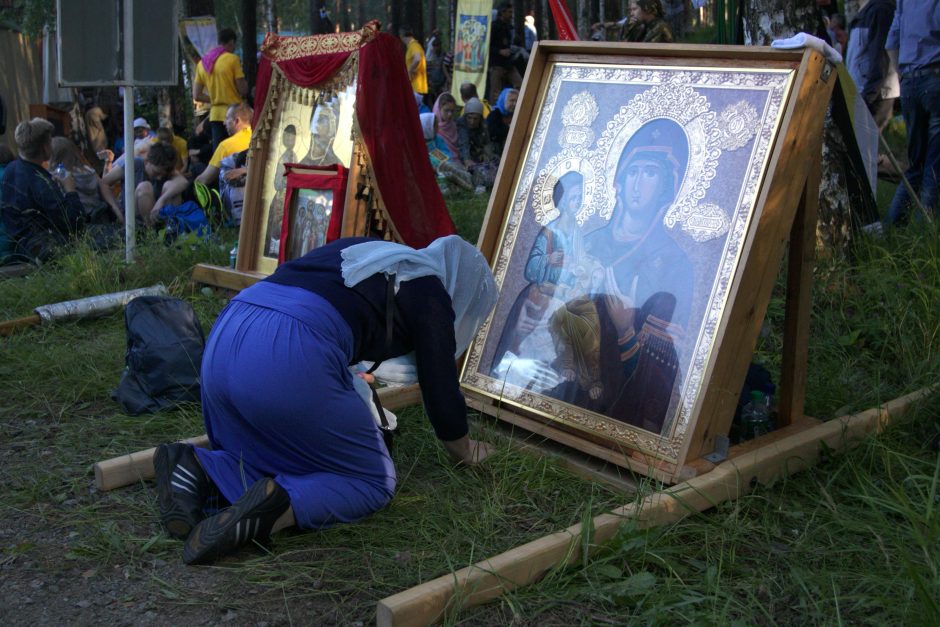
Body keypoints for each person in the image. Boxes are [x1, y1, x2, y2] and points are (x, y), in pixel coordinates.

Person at [152, 235, 499, 564]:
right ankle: (276, 512)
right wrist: (465, 451)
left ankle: (198, 466)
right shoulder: (431, 290)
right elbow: (439, 384)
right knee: (372, 481)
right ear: (463, 289)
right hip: (289, 351)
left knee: (264, 446)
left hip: (226, 337)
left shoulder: (375, 254)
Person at [550, 119, 693, 433]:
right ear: (618, 181)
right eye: (632, 171)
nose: (638, 183)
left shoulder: (674, 262)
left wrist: (626, 330)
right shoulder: (588, 242)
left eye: (651, 173)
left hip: (619, 407)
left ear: (666, 187)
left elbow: (665, 372)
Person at [490, 171, 585, 394]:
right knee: (529, 345)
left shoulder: (577, 234)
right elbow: (531, 268)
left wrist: (578, 271)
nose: (577, 203)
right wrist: (548, 260)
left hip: (564, 294)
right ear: (561, 201)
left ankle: (553, 388)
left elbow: (579, 264)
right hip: (541, 296)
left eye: (580, 198)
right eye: (573, 198)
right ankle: (509, 387)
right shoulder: (549, 232)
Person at [885, 1, 940, 225]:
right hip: (935, 77)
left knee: (916, 163)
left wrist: (902, 73)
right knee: (934, 164)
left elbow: (891, 42)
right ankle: (925, 229)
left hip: (909, 83)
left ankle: (892, 225)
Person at [0, 118, 85, 262]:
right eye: (50, 141)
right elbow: (75, 223)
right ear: (44, 147)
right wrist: (70, 190)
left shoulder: (10, 169)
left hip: (19, 245)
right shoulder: (40, 181)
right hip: (44, 249)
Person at [102, 141, 190, 227]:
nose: (159, 178)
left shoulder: (166, 169)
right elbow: (104, 183)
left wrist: (162, 199)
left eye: (162, 174)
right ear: (147, 161)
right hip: (133, 216)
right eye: (156, 173)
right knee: (145, 186)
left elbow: (183, 182)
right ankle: (150, 234)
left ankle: (172, 229)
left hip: (157, 213)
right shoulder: (135, 164)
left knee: (172, 187)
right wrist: (116, 208)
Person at [846, 0, 899, 133]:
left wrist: (868, 98)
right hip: (863, 95)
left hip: (875, 97)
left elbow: (880, 59)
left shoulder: (881, 10)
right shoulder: (865, 11)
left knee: (867, 149)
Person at [193, 28, 248, 152]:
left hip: (216, 115)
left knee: (219, 154)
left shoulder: (203, 63)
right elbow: (243, 90)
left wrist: (215, 99)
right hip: (235, 116)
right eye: (234, 45)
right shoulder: (232, 59)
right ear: (231, 42)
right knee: (239, 152)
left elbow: (196, 95)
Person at [49, 136, 122, 224]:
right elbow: (103, 185)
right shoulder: (88, 170)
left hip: (81, 222)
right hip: (100, 218)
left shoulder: (60, 175)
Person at [196, 103, 253, 188]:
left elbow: (205, 179)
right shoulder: (258, 139)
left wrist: (194, 183)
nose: (224, 123)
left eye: (227, 118)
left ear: (237, 121)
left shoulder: (226, 146)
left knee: (197, 169)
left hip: (234, 197)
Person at [264, 124, 298, 257]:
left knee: (280, 223)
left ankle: (277, 250)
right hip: (281, 194)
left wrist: (280, 184)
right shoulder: (284, 157)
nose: (289, 140)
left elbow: (280, 181)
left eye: (292, 137)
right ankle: (273, 250)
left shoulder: (290, 157)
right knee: (275, 223)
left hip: (284, 194)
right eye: (287, 136)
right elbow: (278, 181)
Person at [420, 112, 474, 191]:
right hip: (431, 174)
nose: (437, 127)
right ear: (427, 127)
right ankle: (467, 186)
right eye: (434, 125)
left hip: (444, 168)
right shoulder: (419, 144)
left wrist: (440, 163)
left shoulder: (437, 139)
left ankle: (468, 182)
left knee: (450, 167)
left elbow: (447, 155)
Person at [457, 98, 498, 192]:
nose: (472, 121)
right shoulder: (462, 124)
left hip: (478, 155)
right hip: (464, 155)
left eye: (475, 119)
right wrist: (467, 160)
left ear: (480, 118)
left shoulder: (483, 125)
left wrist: (487, 155)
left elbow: (487, 142)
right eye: (469, 118)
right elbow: (464, 144)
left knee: (495, 161)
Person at [595, 0, 674, 43]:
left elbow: (643, 52)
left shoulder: (660, 27)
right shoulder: (643, 26)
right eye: (630, 10)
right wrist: (628, 29)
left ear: (646, 9)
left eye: (634, 9)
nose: (631, 13)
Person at [488, 2, 522, 101]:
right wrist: (499, 51)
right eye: (509, 12)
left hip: (508, 63)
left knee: (520, 84)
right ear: (502, 12)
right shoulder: (493, 27)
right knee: (495, 92)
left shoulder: (508, 27)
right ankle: (495, 112)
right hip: (496, 64)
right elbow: (487, 46)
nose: (511, 15)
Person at [487, 88, 519, 157]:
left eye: (517, 101)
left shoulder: (517, 115)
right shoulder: (494, 115)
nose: (514, 104)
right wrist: (509, 127)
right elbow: (493, 134)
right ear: (503, 100)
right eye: (511, 101)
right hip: (495, 152)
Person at [400, 26, 428, 98]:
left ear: (402, 36)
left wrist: (410, 71)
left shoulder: (414, 45)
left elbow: (417, 58)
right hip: (414, 87)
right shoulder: (411, 46)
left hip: (417, 87)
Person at [433, 93, 461, 161]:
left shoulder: (453, 125)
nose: (450, 114)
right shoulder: (432, 127)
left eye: (452, 111)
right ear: (438, 109)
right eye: (446, 110)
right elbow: (433, 151)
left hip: (457, 160)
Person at [425, 36, 447, 105]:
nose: (435, 48)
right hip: (433, 83)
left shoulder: (444, 56)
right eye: (434, 46)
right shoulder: (433, 56)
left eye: (437, 46)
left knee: (440, 101)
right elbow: (430, 68)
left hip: (441, 83)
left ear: (440, 45)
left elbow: (445, 70)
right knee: (432, 100)